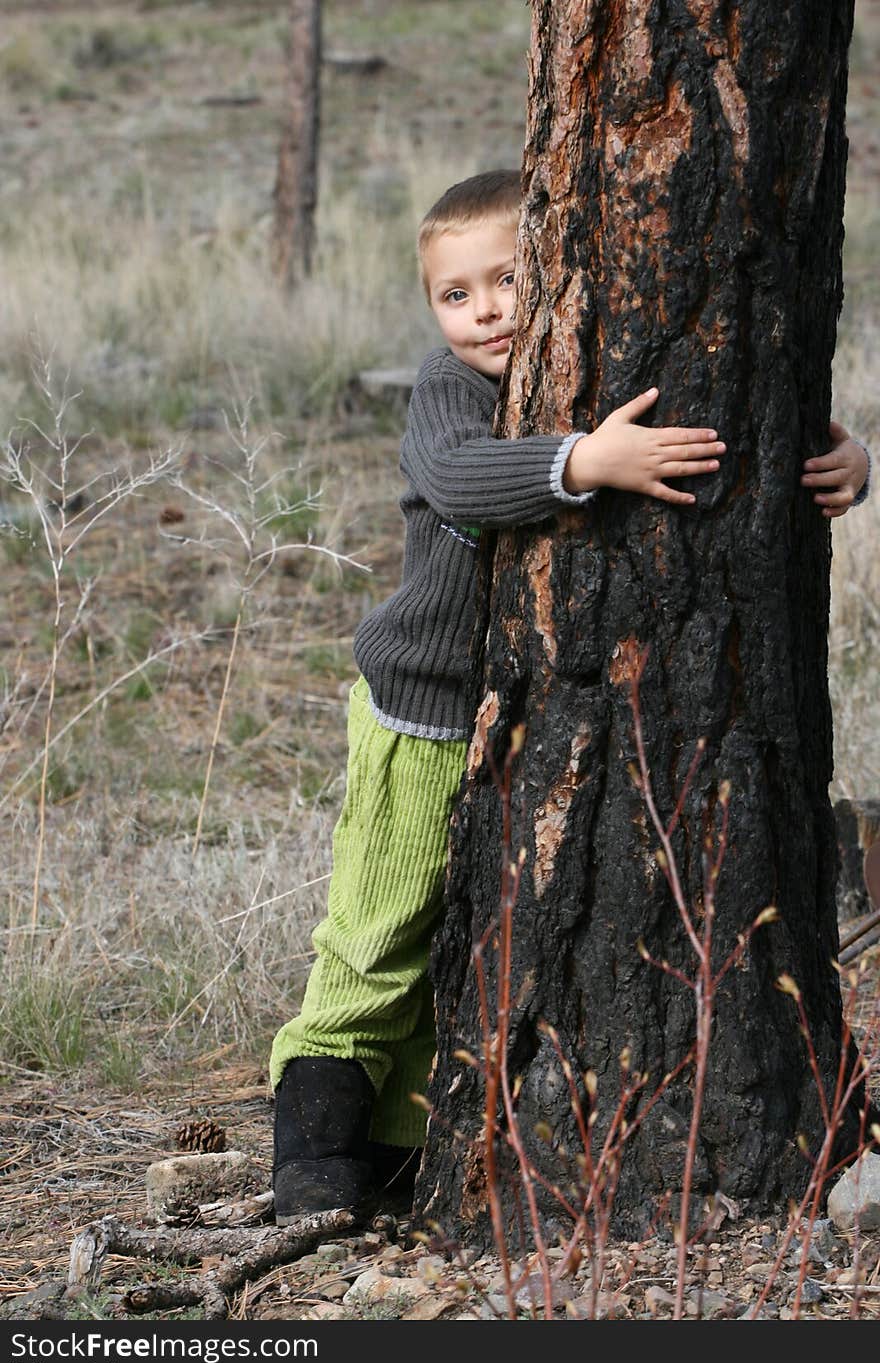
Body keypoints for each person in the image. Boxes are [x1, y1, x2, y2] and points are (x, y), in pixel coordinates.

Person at [269, 170, 872, 1225]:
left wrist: (843, 457)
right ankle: (311, 1145)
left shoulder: (593, 358)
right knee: (379, 928)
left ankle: (397, 1151)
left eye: (507, 279)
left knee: (461, 943)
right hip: (421, 713)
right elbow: (459, 480)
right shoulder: (448, 391)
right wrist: (587, 460)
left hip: (513, 728)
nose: (486, 309)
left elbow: (737, 409)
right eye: (455, 294)